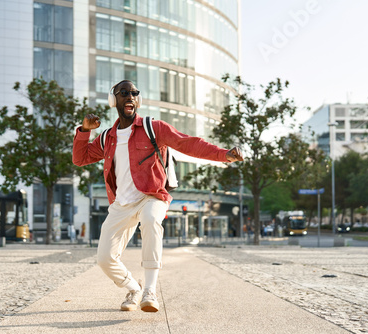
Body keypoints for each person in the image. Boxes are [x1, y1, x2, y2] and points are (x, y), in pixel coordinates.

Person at [72, 79, 243, 313]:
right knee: (104, 259)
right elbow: (79, 159)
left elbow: (189, 144)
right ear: (114, 100)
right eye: (124, 93)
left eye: (134, 93)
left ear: (138, 100)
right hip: (121, 203)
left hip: (151, 196)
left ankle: (150, 291)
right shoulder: (106, 138)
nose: (130, 96)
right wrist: (84, 131)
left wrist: (224, 155)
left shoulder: (154, 128)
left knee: (151, 220)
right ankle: (133, 288)